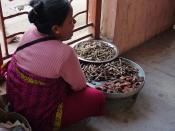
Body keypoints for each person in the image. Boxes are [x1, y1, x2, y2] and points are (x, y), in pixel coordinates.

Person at [6, 0, 105, 131]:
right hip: (39, 116)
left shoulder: (30, 32)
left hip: (16, 100)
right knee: (97, 98)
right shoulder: (65, 52)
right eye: (71, 21)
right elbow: (79, 86)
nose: (75, 23)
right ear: (56, 29)